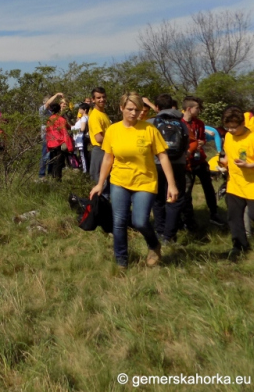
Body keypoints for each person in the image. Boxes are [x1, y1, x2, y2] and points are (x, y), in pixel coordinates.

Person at [90, 93, 179, 268]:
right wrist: (100, 183)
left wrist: (172, 184)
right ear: (121, 108)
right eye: (130, 109)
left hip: (145, 182)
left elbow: (163, 156)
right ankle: (121, 261)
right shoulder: (113, 130)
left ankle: (154, 245)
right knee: (119, 221)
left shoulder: (149, 129)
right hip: (119, 181)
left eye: (137, 110)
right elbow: (108, 158)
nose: (133, 113)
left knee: (140, 221)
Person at [218, 106, 254, 256]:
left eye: (234, 127)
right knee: (233, 216)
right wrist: (222, 164)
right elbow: (228, 155)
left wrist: (249, 165)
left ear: (242, 123)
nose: (231, 130)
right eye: (228, 127)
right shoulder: (228, 136)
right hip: (235, 183)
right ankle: (239, 246)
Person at [148, 94, 191, 243]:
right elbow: (186, 143)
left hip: (157, 163)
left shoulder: (151, 123)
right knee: (175, 198)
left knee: (158, 197)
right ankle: (169, 235)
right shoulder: (182, 123)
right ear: (173, 106)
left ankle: (160, 230)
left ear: (157, 107)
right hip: (178, 164)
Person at [182, 97, 225, 227]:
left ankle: (214, 213)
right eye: (197, 108)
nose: (199, 110)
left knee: (208, 187)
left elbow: (202, 139)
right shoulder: (179, 123)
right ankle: (189, 220)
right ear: (189, 109)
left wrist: (201, 142)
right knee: (187, 191)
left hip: (200, 160)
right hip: (187, 162)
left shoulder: (199, 123)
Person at [88, 87, 111, 187]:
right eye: (98, 98)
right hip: (100, 150)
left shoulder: (103, 114)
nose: (102, 99)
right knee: (99, 182)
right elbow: (99, 138)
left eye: (103, 97)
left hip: (106, 150)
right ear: (93, 100)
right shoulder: (95, 116)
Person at [37, 93, 64, 179]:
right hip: (46, 134)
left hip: (52, 135)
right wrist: (56, 95)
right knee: (45, 154)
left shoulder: (50, 112)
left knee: (52, 154)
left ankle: (50, 172)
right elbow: (48, 104)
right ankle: (41, 174)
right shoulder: (43, 109)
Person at [44, 102, 73, 180]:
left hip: (51, 143)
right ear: (59, 109)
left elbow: (47, 131)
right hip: (59, 143)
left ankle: (53, 177)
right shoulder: (61, 119)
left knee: (53, 160)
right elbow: (65, 131)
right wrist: (69, 145)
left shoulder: (49, 120)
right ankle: (57, 178)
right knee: (59, 162)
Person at [72, 103, 90, 173]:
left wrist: (74, 130)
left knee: (83, 155)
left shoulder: (83, 118)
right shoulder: (87, 117)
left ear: (85, 110)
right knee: (83, 155)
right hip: (81, 139)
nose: (79, 110)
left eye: (80, 109)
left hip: (81, 139)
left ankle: (85, 171)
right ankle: (85, 169)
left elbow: (82, 129)